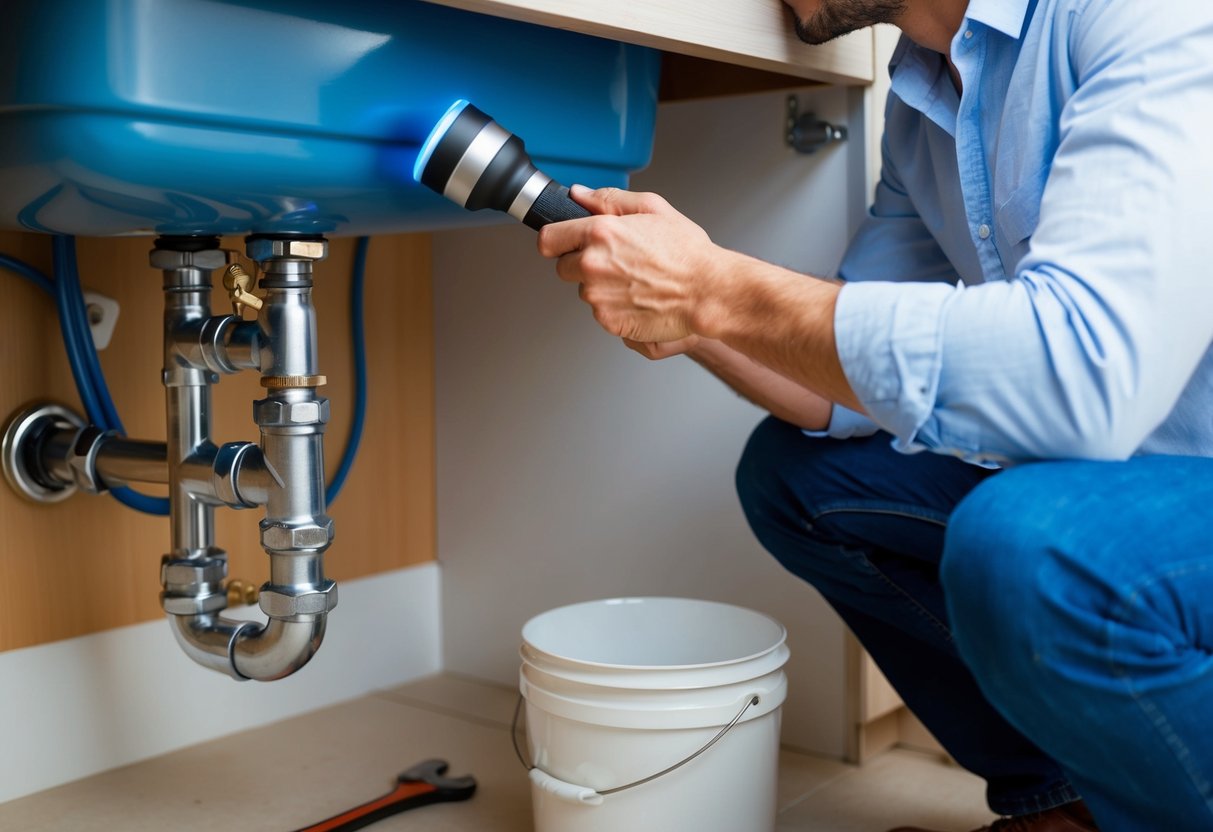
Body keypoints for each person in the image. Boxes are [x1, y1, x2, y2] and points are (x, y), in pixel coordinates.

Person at [536, 0, 1213, 829]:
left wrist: (712, 287)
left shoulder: (1137, 16)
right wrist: (695, 318)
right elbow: (849, 386)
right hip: (1123, 478)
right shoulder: (922, 100)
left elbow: (1078, 376)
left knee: (1032, 543)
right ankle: (1063, 806)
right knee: (799, 477)